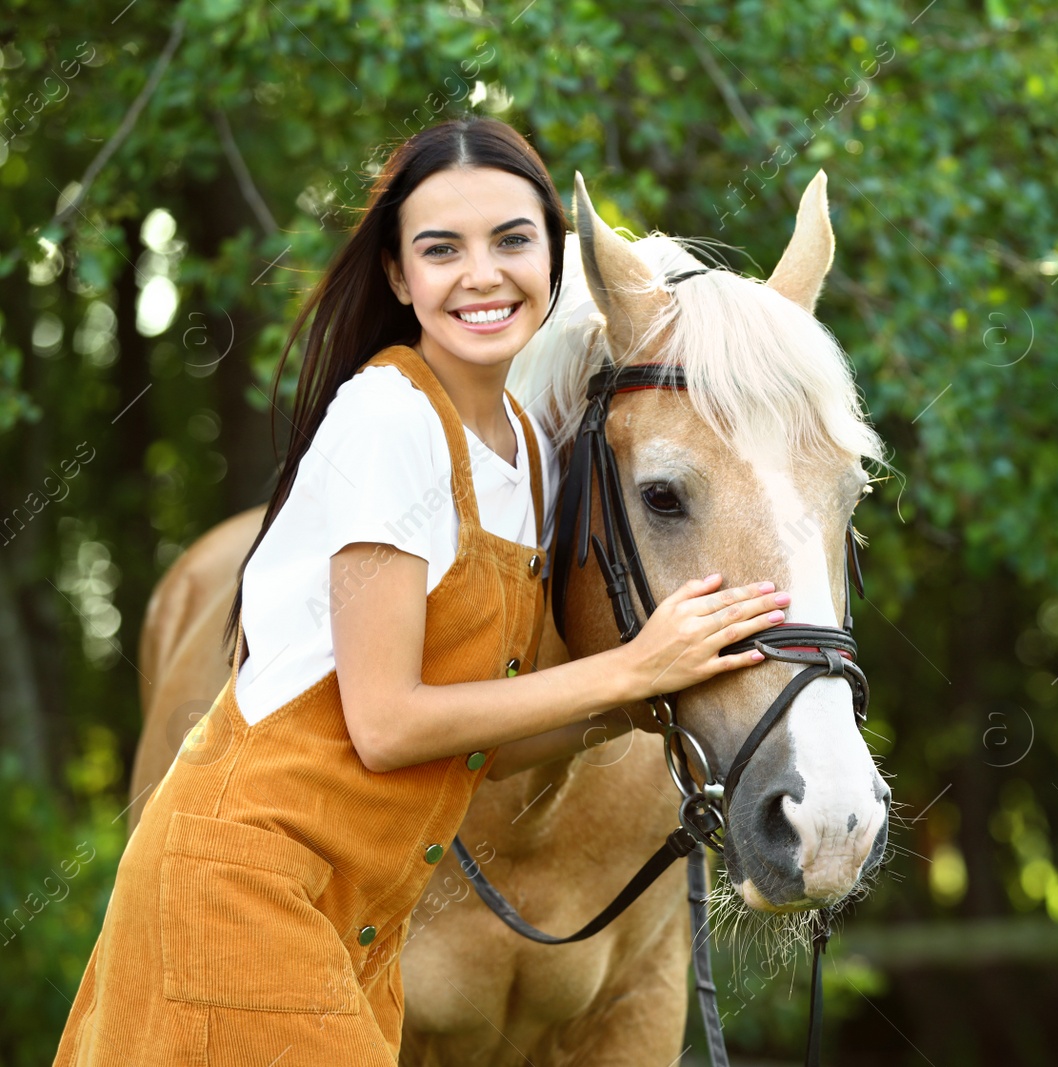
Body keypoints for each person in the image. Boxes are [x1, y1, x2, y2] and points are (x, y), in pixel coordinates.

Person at [53, 117, 787, 1066]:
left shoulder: (525, 450)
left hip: (355, 914)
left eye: (513, 240)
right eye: (442, 249)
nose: (482, 274)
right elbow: (389, 724)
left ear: (555, 262)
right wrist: (628, 668)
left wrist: (645, 703)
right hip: (246, 883)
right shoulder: (385, 420)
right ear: (402, 279)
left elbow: (483, 743)